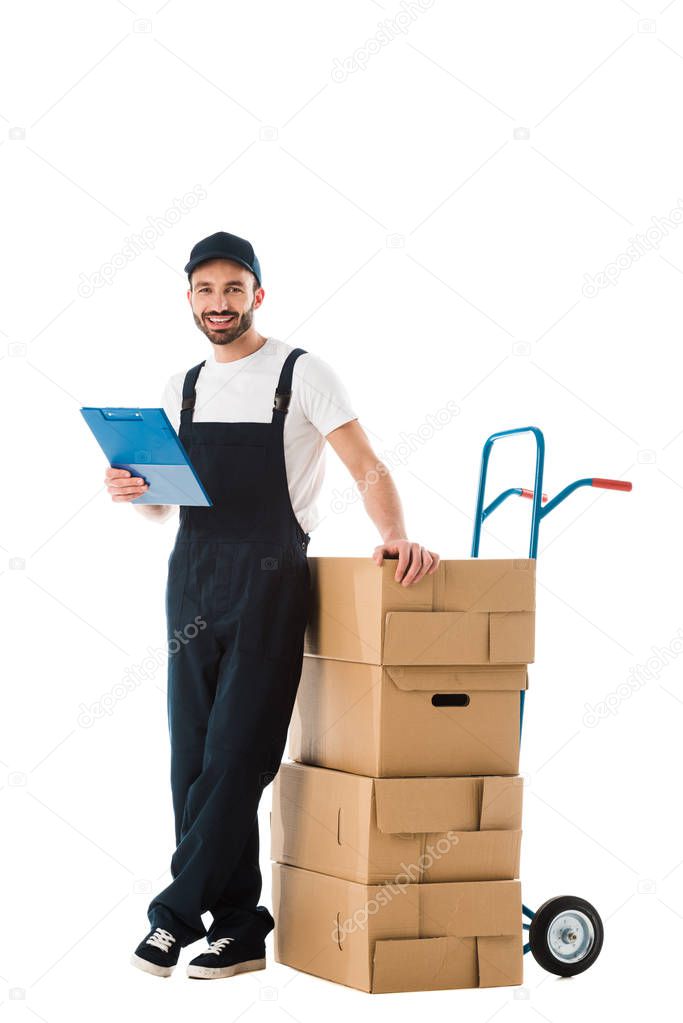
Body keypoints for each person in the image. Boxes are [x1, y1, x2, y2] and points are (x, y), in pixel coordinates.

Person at [104, 230, 441, 980]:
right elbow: (164, 510)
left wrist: (396, 536)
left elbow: (366, 465)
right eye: (204, 290)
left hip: (270, 579)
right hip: (189, 575)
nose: (218, 303)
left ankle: (172, 916)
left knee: (237, 755)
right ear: (188, 298)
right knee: (190, 762)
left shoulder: (301, 371)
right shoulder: (180, 387)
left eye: (232, 289)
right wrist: (133, 491)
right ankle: (240, 928)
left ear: (258, 293)